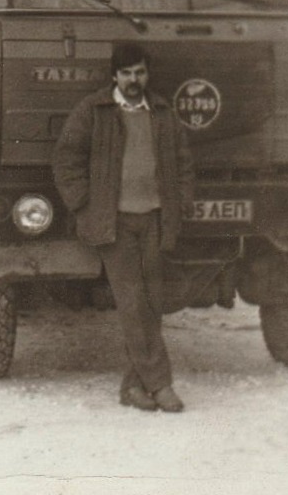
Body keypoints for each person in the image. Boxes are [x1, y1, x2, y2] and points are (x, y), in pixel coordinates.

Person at [52, 42, 194, 412]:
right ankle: (161, 385)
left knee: (150, 303)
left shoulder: (161, 113)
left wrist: (181, 204)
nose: (135, 80)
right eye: (127, 73)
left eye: (140, 72)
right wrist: (85, 204)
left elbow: (182, 164)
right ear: (115, 75)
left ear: (147, 75)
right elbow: (67, 159)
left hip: (155, 220)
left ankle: (133, 388)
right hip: (113, 223)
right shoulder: (94, 111)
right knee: (133, 304)